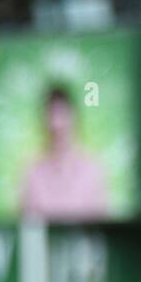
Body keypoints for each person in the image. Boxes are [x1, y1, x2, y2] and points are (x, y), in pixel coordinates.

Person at [19, 85, 111, 222]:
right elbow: (26, 226)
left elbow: (102, 226)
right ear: (43, 124)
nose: (57, 124)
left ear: (74, 119)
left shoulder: (92, 169)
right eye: (51, 117)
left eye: (62, 116)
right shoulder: (32, 172)